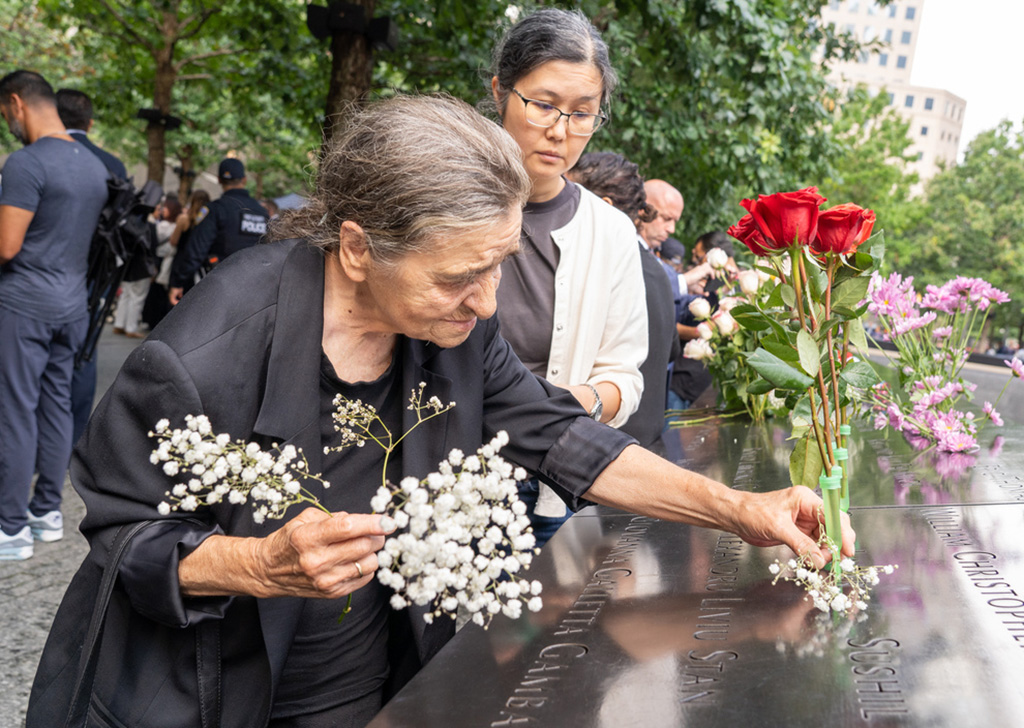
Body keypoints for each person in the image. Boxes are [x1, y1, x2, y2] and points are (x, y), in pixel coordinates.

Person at [27, 95, 853, 728]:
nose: (487, 304)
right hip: (217, 688)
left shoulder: (452, 330)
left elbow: (562, 437)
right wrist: (261, 565)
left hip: (373, 679)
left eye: (498, 266)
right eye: (461, 275)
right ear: (358, 247)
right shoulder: (201, 357)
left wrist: (741, 509)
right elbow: (122, 539)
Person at [488, 8, 648, 546]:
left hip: (547, 486)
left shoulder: (611, 233)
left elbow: (624, 377)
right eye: (544, 105)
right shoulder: (444, 199)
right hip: (429, 473)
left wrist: (561, 404)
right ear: (500, 91)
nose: (560, 131)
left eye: (583, 113)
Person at [0, 71, 108, 559]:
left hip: (25, 305)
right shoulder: (91, 166)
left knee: (15, 410)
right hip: (72, 307)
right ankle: (46, 514)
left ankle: (10, 528)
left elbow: (7, 246)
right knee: (55, 406)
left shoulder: (25, 163)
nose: (8, 125)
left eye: (5, 115)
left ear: (17, 103)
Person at [567, 151, 678, 451]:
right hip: (644, 439)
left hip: (610, 446)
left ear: (603, 206)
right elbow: (670, 349)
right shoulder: (656, 269)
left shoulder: (608, 266)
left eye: (567, 195)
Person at [55, 88, 128, 443]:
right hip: (94, 275)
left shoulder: (37, 156)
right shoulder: (112, 164)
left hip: (44, 275)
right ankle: (72, 437)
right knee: (83, 355)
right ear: (91, 122)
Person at [167, 158, 268, 304]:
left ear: (219, 180)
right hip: (254, 288)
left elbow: (196, 250)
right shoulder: (262, 213)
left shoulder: (214, 210)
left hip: (219, 288)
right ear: (244, 180)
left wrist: (178, 282)